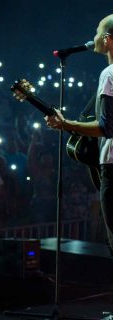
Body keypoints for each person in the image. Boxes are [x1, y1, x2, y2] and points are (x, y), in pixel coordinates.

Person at [45, 14, 113, 254]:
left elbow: (107, 127)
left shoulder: (110, 74)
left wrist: (67, 125)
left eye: (97, 32)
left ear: (107, 40)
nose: (92, 38)